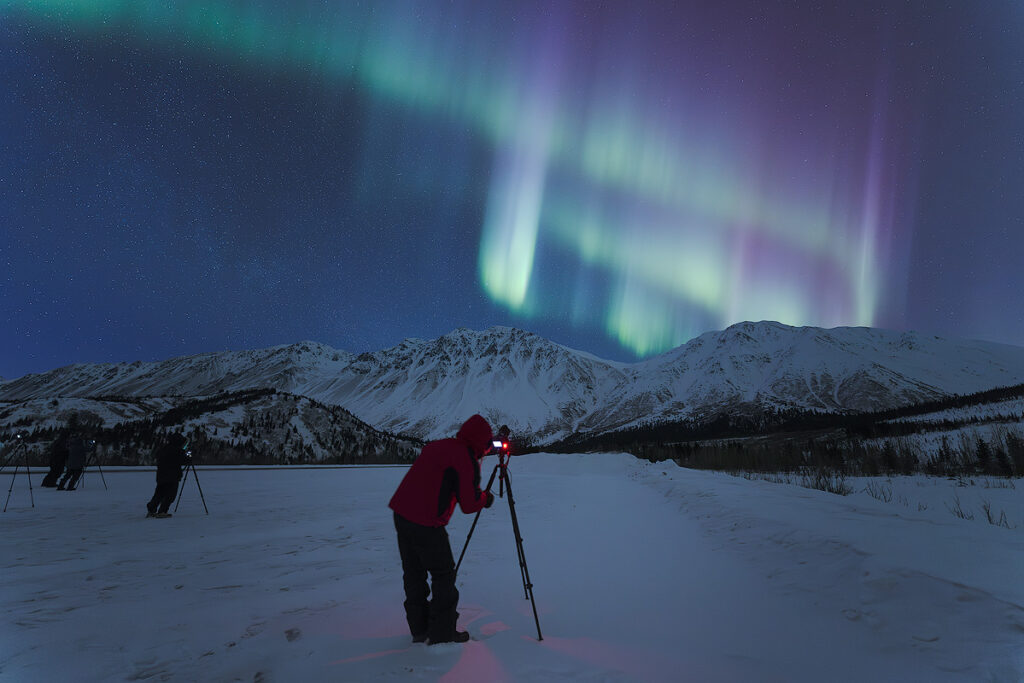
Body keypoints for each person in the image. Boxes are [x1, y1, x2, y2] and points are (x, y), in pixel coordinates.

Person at [389, 414, 495, 645]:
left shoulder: (439, 445)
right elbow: (469, 504)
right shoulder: (465, 458)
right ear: (482, 442)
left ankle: (419, 628)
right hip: (426, 523)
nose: (487, 450)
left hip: (401, 513)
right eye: (487, 445)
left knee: (414, 573)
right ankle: (442, 634)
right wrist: (485, 498)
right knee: (444, 575)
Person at [146, 433, 190, 518]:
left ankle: (151, 509)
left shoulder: (164, 448)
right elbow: (184, 461)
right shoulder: (178, 450)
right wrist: (188, 456)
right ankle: (162, 511)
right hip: (172, 476)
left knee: (159, 494)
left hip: (161, 475)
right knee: (170, 495)